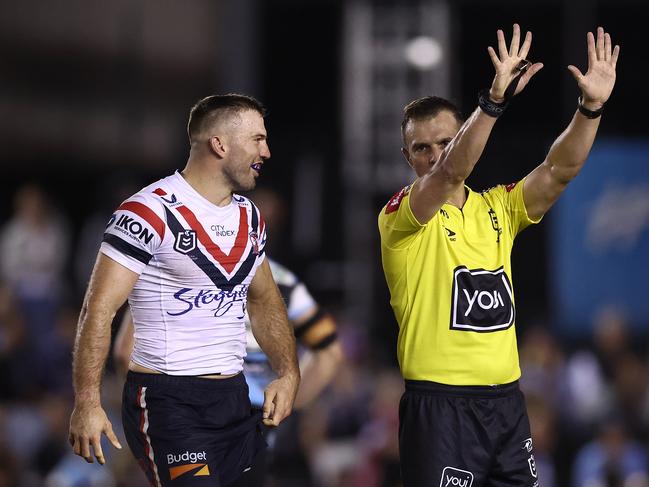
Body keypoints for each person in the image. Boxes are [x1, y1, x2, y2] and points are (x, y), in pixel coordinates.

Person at [378, 24, 619, 486]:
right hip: (441, 407)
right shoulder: (401, 217)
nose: (434, 155)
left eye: (445, 141)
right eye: (421, 148)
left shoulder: (498, 208)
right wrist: (492, 102)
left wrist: (591, 108)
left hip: (506, 403)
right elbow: (449, 175)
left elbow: (559, 169)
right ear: (407, 157)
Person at [68, 94, 300, 487]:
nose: (267, 151)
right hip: (167, 402)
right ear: (220, 144)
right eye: (257, 140)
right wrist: (87, 402)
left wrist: (289, 373)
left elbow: (263, 298)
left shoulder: (249, 215)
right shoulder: (146, 211)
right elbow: (99, 309)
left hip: (234, 397)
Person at [113, 256, 344, 484]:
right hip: (254, 422)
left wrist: (151, 415)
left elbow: (126, 352)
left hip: (185, 413)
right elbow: (329, 352)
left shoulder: (171, 268)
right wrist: (282, 407)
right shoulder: (282, 280)